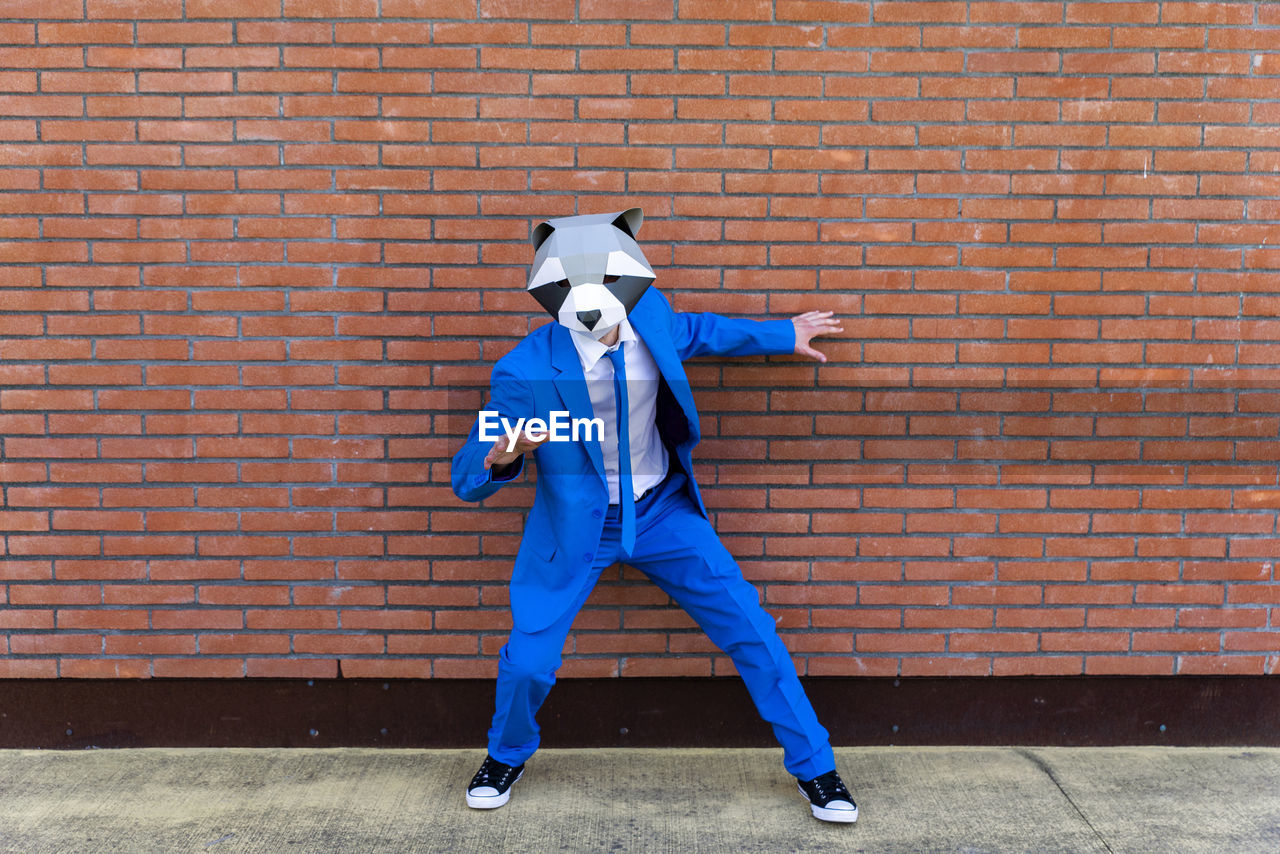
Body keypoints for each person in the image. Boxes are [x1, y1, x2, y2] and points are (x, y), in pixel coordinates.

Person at [450, 209, 856, 823]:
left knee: (753, 631)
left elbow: (702, 332)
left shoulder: (651, 316)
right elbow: (467, 473)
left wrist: (781, 334)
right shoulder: (526, 369)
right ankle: (506, 754)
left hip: (663, 511)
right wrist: (503, 456)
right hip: (575, 529)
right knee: (528, 662)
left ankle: (817, 769)